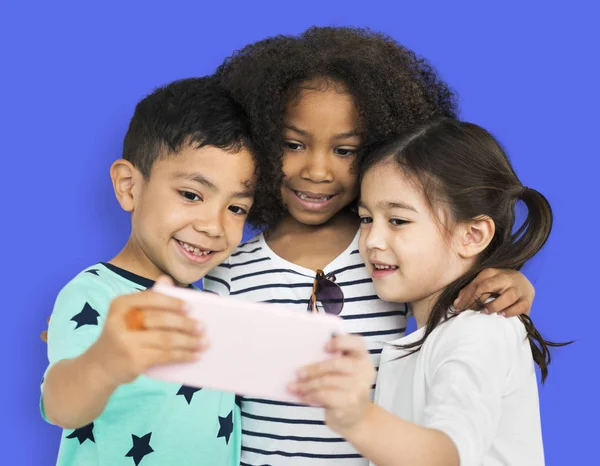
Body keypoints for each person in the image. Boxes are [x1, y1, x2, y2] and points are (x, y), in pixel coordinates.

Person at [204, 26, 537, 465]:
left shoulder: (386, 265)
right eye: (292, 144)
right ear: (259, 139)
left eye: (345, 151)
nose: (318, 171)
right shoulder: (226, 270)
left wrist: (508, 280)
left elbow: (452, 299)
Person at [292, 118, 569, 466]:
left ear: (472, 235)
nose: (372, 241)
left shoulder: (478, 331)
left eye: (398, 220)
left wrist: (356, 416)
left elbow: (445, 455)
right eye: (366, 219)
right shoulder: (440, 328)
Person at [40, 76, 271, 466]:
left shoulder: (213, 304)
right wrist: (106, 360)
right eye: (191, 195)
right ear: (129, 186)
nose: (214, 226)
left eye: (236, 208)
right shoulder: (93, 295)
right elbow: (61, 405)